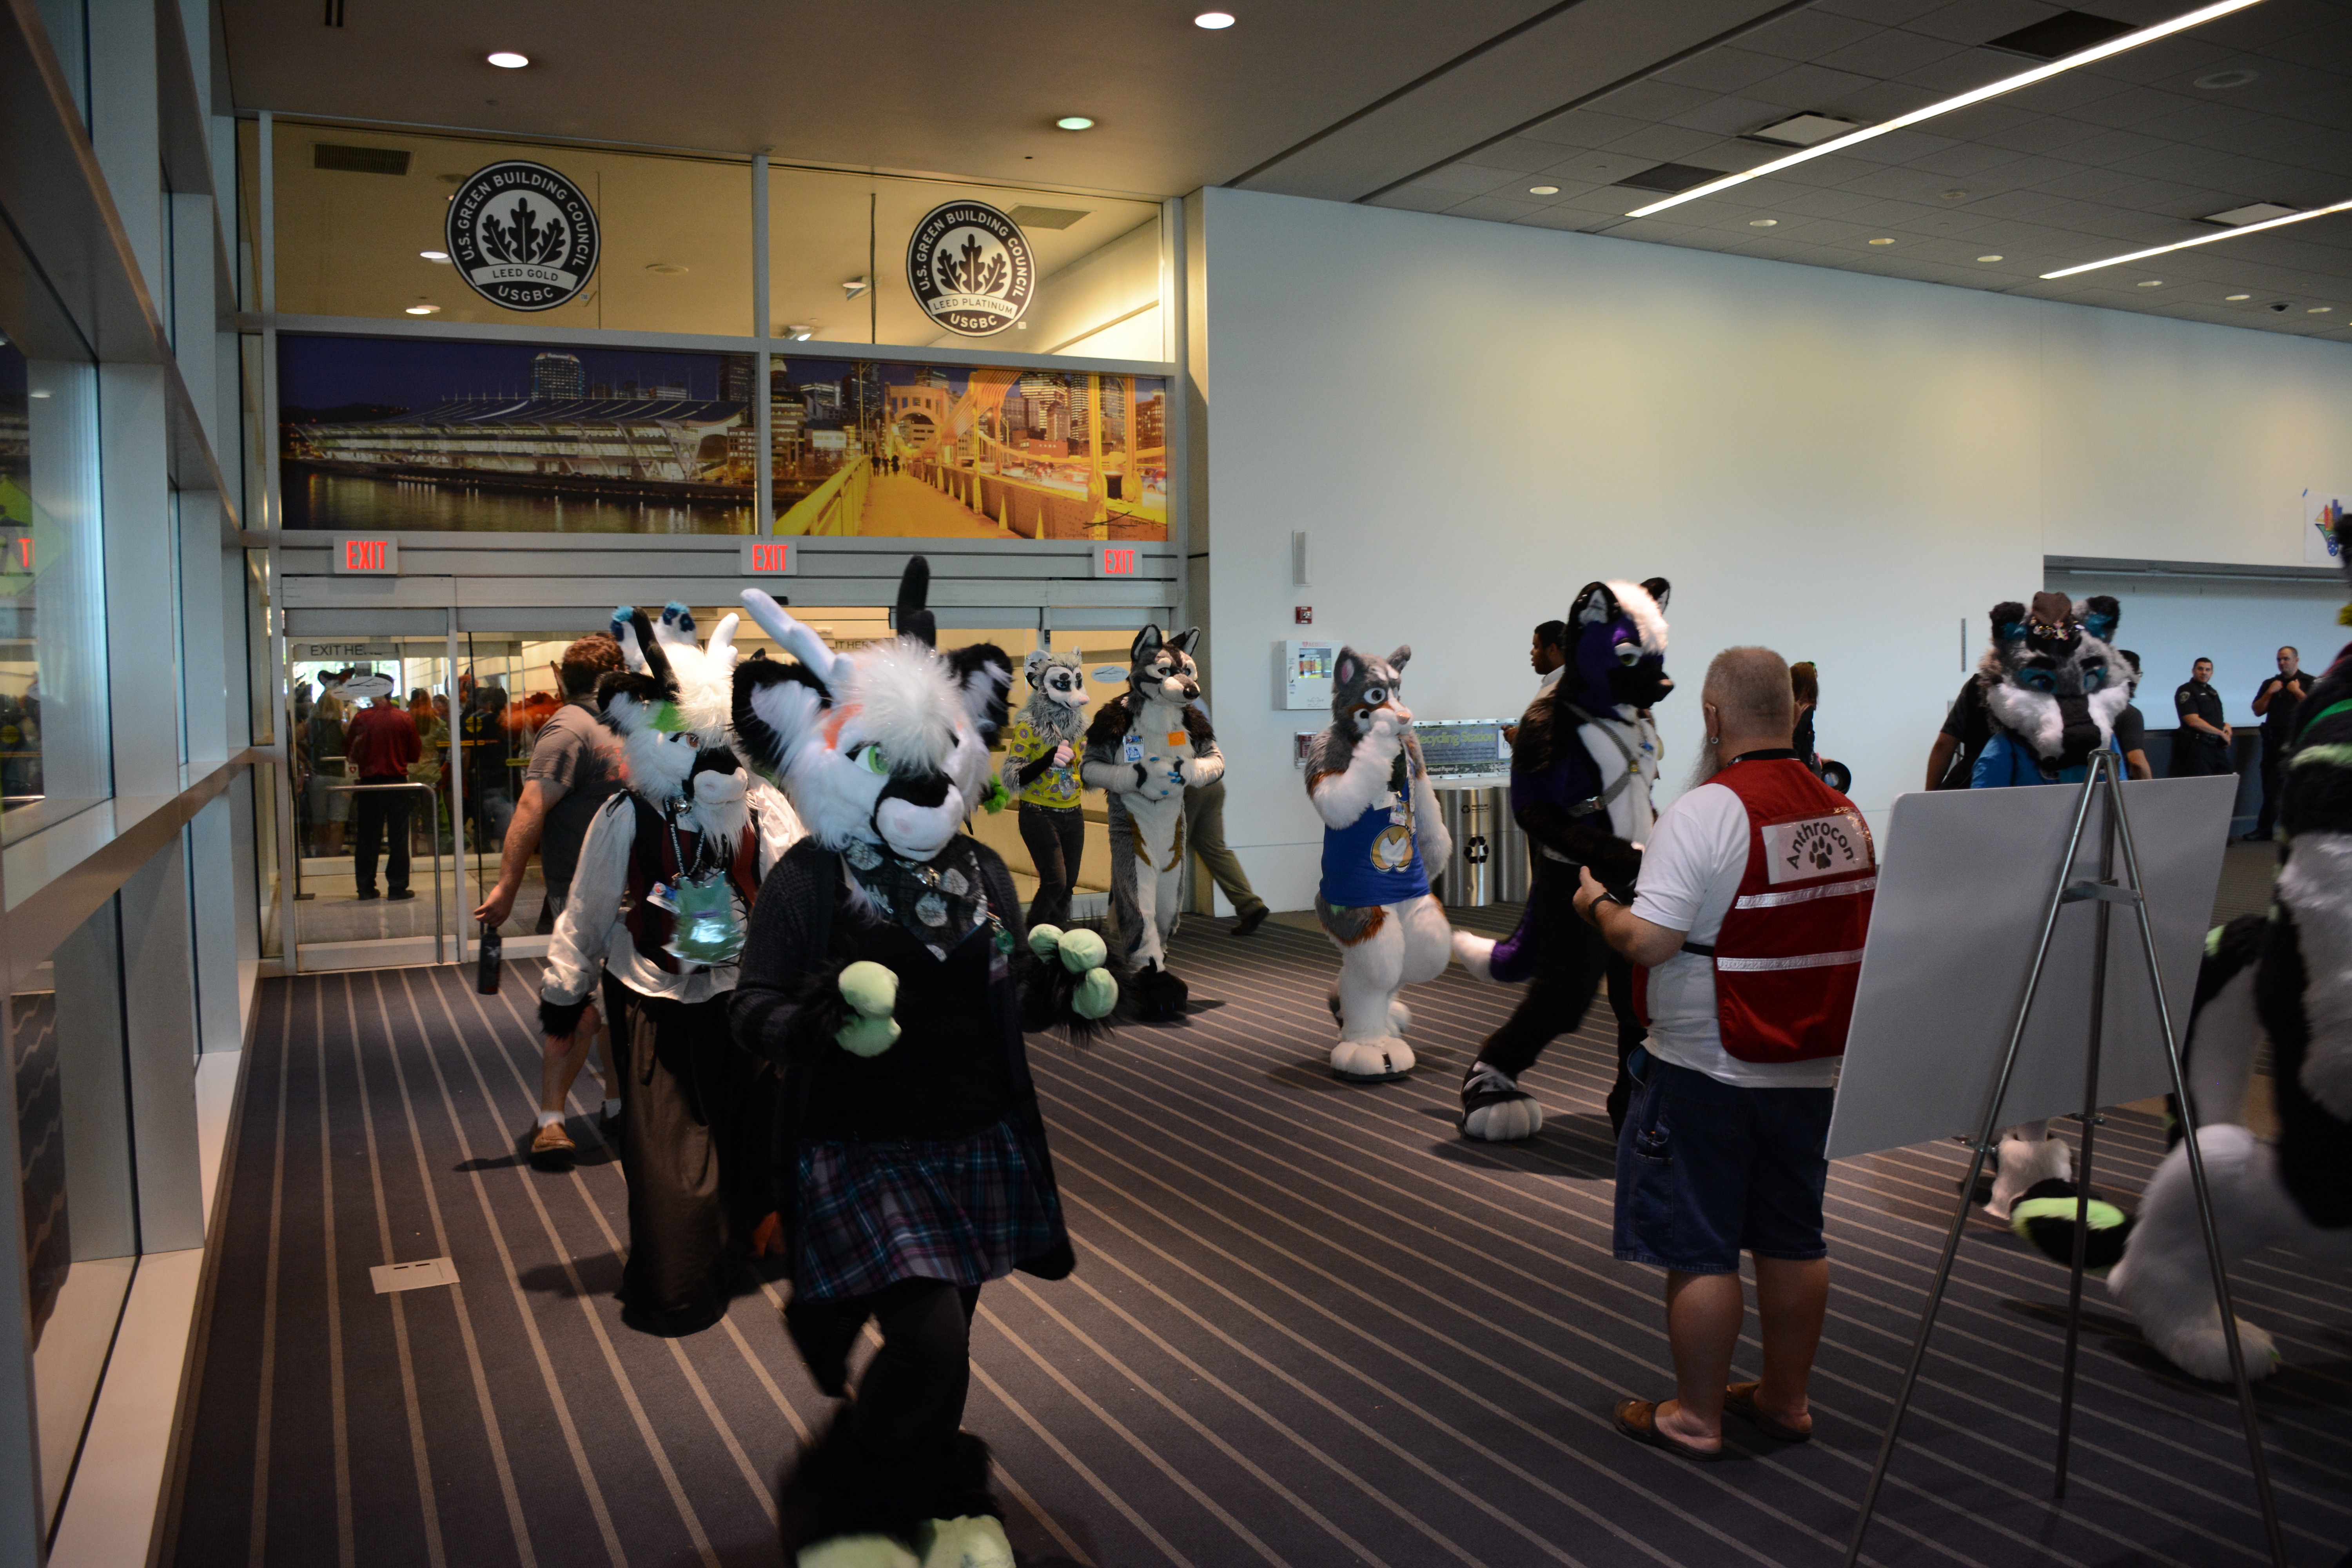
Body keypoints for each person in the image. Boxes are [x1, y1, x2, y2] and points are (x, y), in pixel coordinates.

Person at [1580, 646, 1872, 1461]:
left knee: (1699, 1246)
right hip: (1810, 1065)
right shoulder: (1843, 813)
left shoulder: (1706, 812)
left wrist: (1597, 905)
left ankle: (1695, 1417)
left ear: (1713, 715)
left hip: (1705, 1065)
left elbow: (1651, 940)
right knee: (1794, 1237)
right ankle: (1786, 1399)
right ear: (1794, 708)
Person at [537, 605, 801, 1327]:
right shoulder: (628, 813)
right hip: (655, 997)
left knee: (755, 1128)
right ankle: (682, 1273)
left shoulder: (762, 808)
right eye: (688, 740)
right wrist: (566, 991)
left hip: (744, 997)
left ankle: (750, 1231)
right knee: (668, 1151)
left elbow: (795, 896)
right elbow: (589, 906)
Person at [476, 634, 627, 1152]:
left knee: (616, 1006)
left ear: (561, 677)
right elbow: (531, 808)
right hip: (582, 896)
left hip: (629, 895)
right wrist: (507, 887)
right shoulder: (569, 729)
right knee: (576, 1004)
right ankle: (551, 1121)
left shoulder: (628, 725)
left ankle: (614, 1106)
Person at [1185, 694, 1269, 936]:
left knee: (1167, 853)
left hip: (1187, 784)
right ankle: (1250, 905)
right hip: (1211, 782)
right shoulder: (1196, 699)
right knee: (1215, 850)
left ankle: (1150, 920)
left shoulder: (1164, 699)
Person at [344, 685, 421, 902]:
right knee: (398, 836)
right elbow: (415, 754)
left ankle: (365, 888)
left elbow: (350, 753)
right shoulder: (404, 718)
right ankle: (397, 887)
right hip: (397, 783)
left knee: (368, 836)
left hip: (369, 784)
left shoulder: (362, 718)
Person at [2250, 646, 2312, 840]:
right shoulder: (2271, 684)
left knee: (2298, 790)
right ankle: (2264, 829)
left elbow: (2314, 709)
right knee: (2270, 789)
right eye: (2279, 660)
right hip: (2273, 744)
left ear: (2296, 660)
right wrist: (2270, 693)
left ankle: (2298, 832)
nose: (2282, 663)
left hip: (2297, 745)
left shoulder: (2309, 682)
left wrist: (2297, 692)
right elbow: (2257, 710)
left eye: (2286, 659)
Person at [1502, 619, 1566, 750]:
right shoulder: (1553, 683)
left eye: (1536, 647)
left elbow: (1560, 744)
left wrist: (1520, 740)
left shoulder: (1565, 689)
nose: (1532, 652)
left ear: (1552, 649)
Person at [1924, 673, 1992, 789]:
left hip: (1973, 782)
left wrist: (1930, 796)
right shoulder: (2027, 687)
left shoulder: (1978, 686)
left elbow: (1944, 745)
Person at [2171, 657, 2232, 778]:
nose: (2204, 673)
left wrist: (2226, 726)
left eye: (2208, 670)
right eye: (2200, 669)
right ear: (2193, 671)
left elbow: (2213, 718)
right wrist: (2220, 733)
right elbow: (2193, 721)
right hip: (2199, 748)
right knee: (2203, 786)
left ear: (2212, 673)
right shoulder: (2187, 690)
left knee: (2227, 782)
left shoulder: (2212, 692)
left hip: (2217, 747)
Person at [2113, 651, 2152, 780]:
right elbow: (2137, 763)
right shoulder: (2130, 714)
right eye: (2139, 674)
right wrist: (2151, 790)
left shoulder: (2084, 707)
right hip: (2113, 786)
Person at [1789, 661, 1819, 775]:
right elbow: (1796, 744)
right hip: (1798, 772)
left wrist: (1815, 758)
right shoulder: (1806, 710)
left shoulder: (1786, 707)